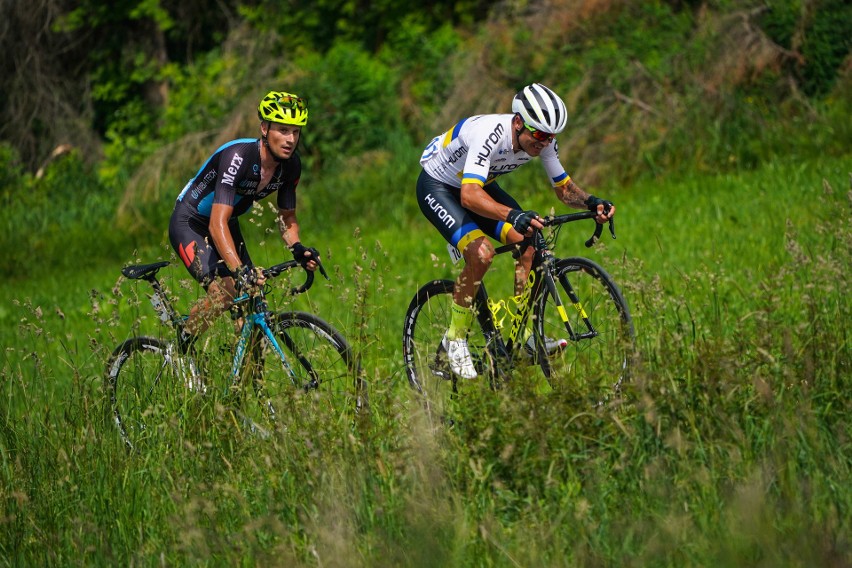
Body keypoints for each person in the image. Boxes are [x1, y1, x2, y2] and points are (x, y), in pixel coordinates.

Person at [417, 82, 616, 379]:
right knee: (481, 254)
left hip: (477, 184)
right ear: (519, 122)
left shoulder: (543, 140)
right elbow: (469, 196)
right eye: (538, 135)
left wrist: (592, 202)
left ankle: (522, 334)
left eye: (550, 136)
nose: (543, 142)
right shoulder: (490, 135)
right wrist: (513, 214)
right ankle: (454, 340)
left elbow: (563, 188)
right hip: (440, 186)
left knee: (531, 240)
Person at [169, 90, 320, 351]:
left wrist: (297, 247)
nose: (290, 139)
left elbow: (287, 216)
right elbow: (216, 224)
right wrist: (240, 272)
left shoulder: (290, 165)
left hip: (227, 223)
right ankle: (181, 343)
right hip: (191, 221)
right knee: (226, 291)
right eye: (283, 130)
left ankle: (245, 385)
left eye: (296, 132)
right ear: (264, 128)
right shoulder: (238, 157)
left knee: (252, 304)